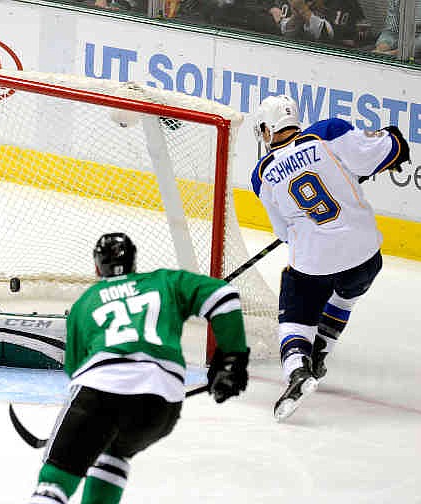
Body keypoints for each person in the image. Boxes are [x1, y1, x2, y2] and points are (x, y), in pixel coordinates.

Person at [26, 232, 250, 504]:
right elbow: (223, 296)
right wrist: (231, 357)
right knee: (114, 454)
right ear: (134, 263)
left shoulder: (85, 302)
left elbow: (75, 371)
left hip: (100, 392)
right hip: (161, 406)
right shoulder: (164, 281)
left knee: (55, 480)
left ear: (97, 267)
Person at [251, 95, 410, 421]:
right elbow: (392, 148)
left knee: (295, 315)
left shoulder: (262, 175)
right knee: (347, 290)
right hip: (366, 255)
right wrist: (390, 139)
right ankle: (322, 348)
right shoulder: (327, 133)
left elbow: (283, 232)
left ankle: (298, 370)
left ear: (267, 130)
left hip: (314, 263)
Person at [276, 0, 366, 46]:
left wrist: (304, 11)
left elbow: (328, 34)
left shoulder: (345, 3)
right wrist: (297, 15)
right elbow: (285, 32)